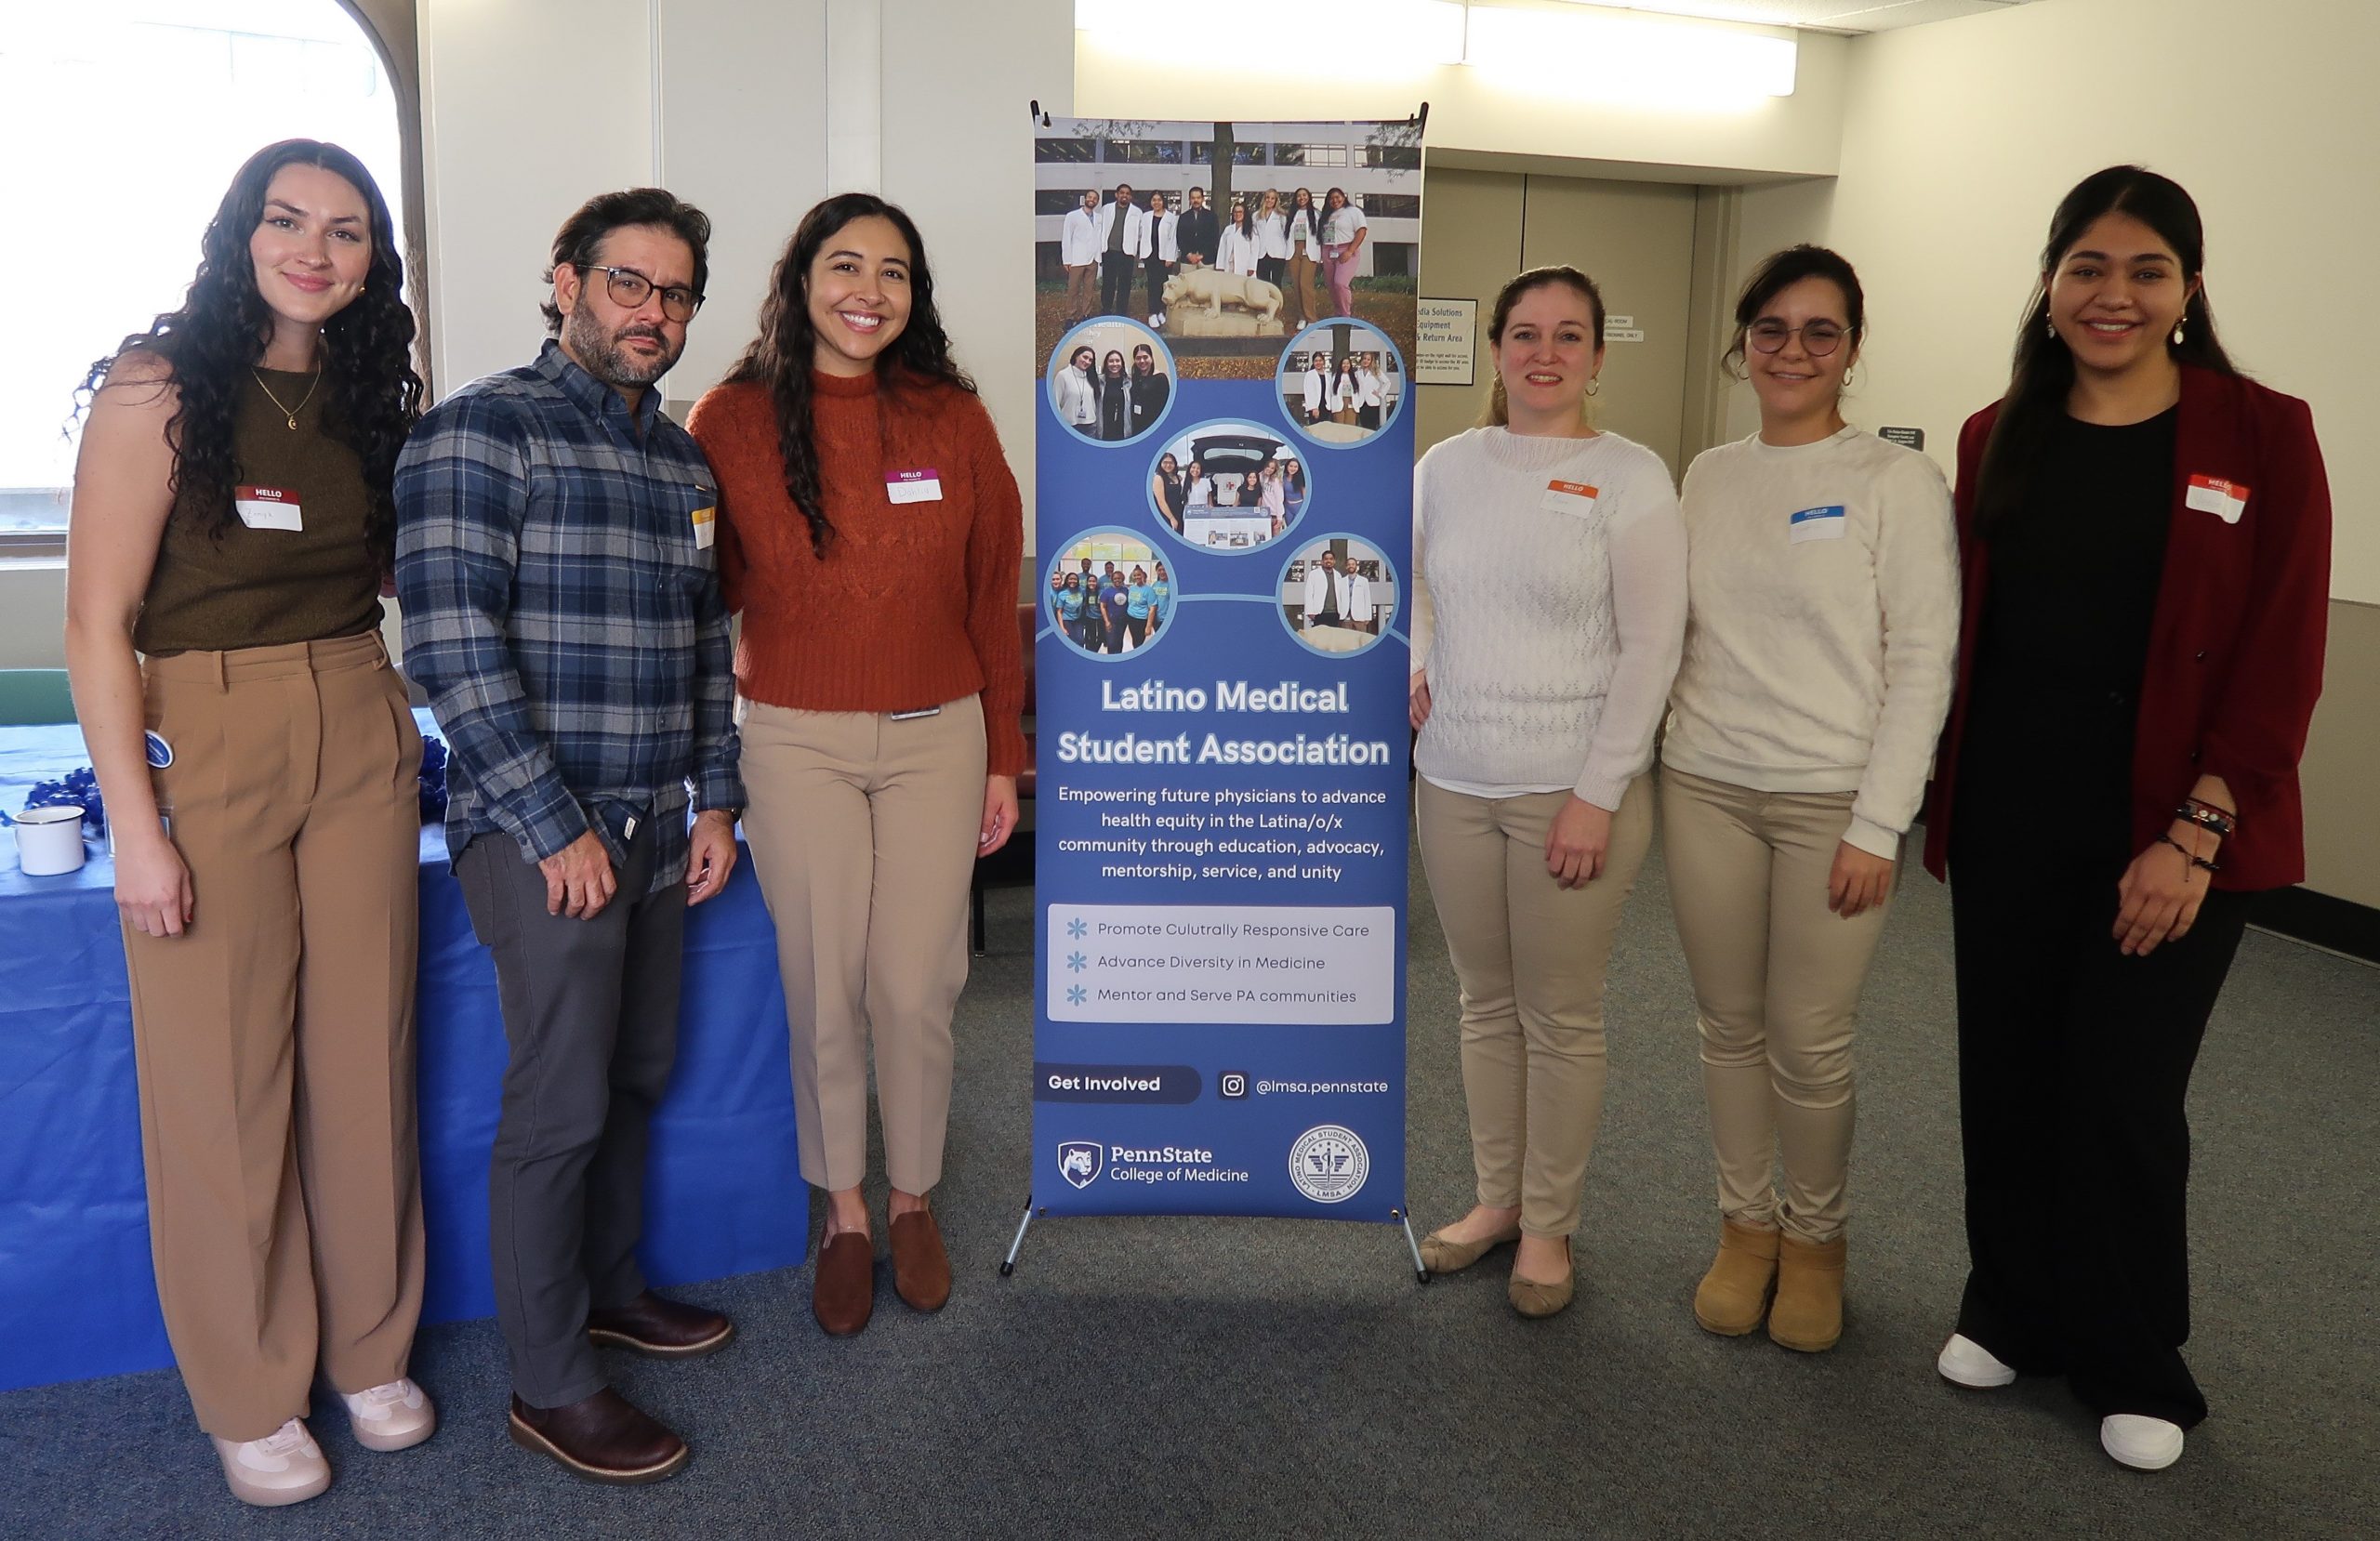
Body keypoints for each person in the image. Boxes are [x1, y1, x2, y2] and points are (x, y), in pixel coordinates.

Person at [1920, 166, 2330, 1472]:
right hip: (2012, 816)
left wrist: (2196, 832)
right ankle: (2014, 1304)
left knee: (2121, 1094)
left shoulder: (2262, 432)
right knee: (2009, 1074)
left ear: (2189, 290)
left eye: (2147, 270)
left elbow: (2282, 654)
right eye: (2087, 267)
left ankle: (2132, 1352)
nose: (2115, 294)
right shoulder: (1997, 433)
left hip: (2177, 834)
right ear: (2050, 285)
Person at [63, 138, 433, 1508]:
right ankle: (250, 1386)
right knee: (221, 1077)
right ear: (243, 232)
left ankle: (369, 1348)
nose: (313, 251)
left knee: (366, 1052)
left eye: (345, 232)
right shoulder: (158, 383)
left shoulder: (370, 394)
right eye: (288, 221)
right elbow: (95, 622)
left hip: (357, 705)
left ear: (372, 262)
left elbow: (389, 569)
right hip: (206, 725)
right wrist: (136, 826)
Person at [396, 187, 743, 1485]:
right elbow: (452, 650)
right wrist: (555, 827)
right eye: (627, 283)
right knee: (558, 1104)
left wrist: (717, 797)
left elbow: (705, 647)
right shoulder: (481, 430)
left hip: (657, 826)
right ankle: (550, 1381)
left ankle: (607, 1288)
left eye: (676, 293)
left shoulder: (683, 462)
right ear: (566, 281)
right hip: (541, 835)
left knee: (636, 1072)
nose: (654, 312)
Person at [687, 191, 1025, 1339]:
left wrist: (1003, 757)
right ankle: (844, 1209)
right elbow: (706, 590)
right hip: (794, 737)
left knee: (916, 984)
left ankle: (913, 1195)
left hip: (940, 732)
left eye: (893, 271)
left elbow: (990, 589)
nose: (868, 291)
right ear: (800, 280)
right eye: (844, 265)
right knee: (823, 984)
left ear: (914, 295)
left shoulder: (953, 417)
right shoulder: (729, 419)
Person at [1660, 245, 1960, 1356]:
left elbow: (1922, 661)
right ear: (1742, 344)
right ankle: (1746, 1227)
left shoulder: (1895, 481)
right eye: (1771, 329)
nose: (1792, 350)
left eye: (1819, 331)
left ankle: (1817, 1238)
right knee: (1728, 1025)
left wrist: (1880, 822)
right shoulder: (1707, 474)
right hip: (1705, 782)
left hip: (1833, 800)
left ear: (1851, 348)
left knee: (1809, 1036)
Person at [1407, 266, 1687, 1318]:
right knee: (1483, 1004)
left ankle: (1549, 1226)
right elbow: (1409, 581)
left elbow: (1653, 645)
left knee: (1559, 1014)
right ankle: (1496, 1202)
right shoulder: (1445, 467)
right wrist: (1416, 663)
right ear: (1495, 349)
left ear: (1598, 356)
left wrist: (1598, 793)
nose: (1545, 353)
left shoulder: (1630, 475)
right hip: (1453, 780)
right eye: (1525, 333)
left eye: (1570, 335)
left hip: (1572, 790)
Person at [1095, 182, 1143, 317]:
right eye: (1122, 193)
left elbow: (1140, 232)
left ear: (1130, 197)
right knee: (1108, 282)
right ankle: (1106, 309)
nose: (1124, 195)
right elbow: (1101, 228)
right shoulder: (1106, 209)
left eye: (1127, 194)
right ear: (1116, 195)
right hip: (1109, 252)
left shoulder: (1137, 212)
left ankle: (1121, 311)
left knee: (1125, 283)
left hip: (1126, 253)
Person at [1320, 187, 1368, 318]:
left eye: (1337, 197)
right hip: (1328, 250)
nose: (1335, 200)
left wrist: (1350, 251)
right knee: (1331, 286)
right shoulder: (1326, 215)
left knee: (1340, 283)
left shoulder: (1353, 211)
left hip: (1346, 250)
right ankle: (1338, 313)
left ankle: (1346, 315)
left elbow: (1362, 231)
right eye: (1331, 198)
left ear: (1344, 197)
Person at [1302, 547, 1372, 633]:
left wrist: (1367, 616)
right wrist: (1310, 611)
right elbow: (1308, 593)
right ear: (1322, 561)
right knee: (1320, 637)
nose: (1328, 561)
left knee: (1334, 637)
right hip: (1319, 613)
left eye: (1331, 559)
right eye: (1326, 559)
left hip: (1335, 613)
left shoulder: (1338, 575)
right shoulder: (1314, 574)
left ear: (1334, 561)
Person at [1285, 188, 1326, 329]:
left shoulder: (1316, 214)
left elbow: (1321, 234)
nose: (1301, 198)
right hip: (1294, 251)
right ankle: (1302, 316)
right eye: (1299, 196)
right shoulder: (1291, 214)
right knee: (1297, 285)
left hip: (1309, 251)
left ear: (1309, 197)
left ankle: (1311, 318)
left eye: (1304, 195)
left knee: (1305, 284)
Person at [1138, 190, 1179, 328]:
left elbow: (1173, 239)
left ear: (1163, 201)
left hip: (1165, 257)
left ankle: (1161, 311)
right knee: (1152, 284)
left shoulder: (1171, 218)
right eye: (1154, 200)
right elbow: (1141, 235)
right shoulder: (1145, 216)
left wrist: (1170, 257)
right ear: (1151, 202)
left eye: (1159, 200)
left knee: (1163, 284)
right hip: (1150, 256)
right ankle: (1152, 313)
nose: (1156, 202)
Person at [1061, 189, 1100, 325]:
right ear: (1085, 199)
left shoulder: (1099, 218)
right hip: (1076, 259)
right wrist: (1066, 259)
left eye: (1095, 198)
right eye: (1090, 197)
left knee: (1089, 290)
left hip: (1093, 259)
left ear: (1097, 201)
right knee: (1073, 289)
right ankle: (1070, 317)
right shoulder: (1072, 216)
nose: (1092, 200)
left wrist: (1098, 257)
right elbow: (1066, 237)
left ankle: (1086, 315)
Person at [1053, 343, 1098, 435]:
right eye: (1085, 357)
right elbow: (1055, 402)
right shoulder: (1063, 375)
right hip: (1069, 425)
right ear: (1076, 356)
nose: (1087, 361)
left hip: (1090, 426)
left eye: (1090, 360)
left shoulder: (1091, 377)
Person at [1129, 342, 1170, 438]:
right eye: (1138, 358)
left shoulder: (1160, 378)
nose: (1142, 361)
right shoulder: (1135, 378)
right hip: (1136, 426)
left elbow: (1165, 406)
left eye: (1145, 357)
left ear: (1151, 358)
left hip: (1153, 425)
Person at [1254, 188, 1289, 291]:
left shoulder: (1281, 215)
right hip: (1262, 253)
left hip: (1277, 253)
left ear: (1276, 200)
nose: (1269, 200)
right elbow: (1254, 234)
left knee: (1276, 282)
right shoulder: (1256, 216)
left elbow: (1286, 234)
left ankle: (1277, 301)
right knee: (1263, 282)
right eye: (1267, 198)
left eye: (1272, 198)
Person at [1218, 196, 1261, 279]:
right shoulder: (1228, 229)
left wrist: (1252, 267)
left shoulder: (1251, 230)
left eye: (1240, 212)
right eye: (1235, 212)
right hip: (1229, 266)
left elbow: (1254, 250)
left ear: (1245, 213)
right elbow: (1222, 249)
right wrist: (1220, 266)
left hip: (1244, 267)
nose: (1238, 214)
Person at [1177, 186, 1219, 270]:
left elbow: (1214, 238)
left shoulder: (1211, 216)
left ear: (1203, 199)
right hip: (1188, 260)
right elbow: (1180, 238)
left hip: (1207, 260)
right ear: (1189, 199)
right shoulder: (1183, 217)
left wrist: (1202, 255)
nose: (1196, 200)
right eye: (1193, 198)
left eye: (1198, 198)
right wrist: (1189, 255)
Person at [1097, 349, 1131, 441]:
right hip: (1104, 428)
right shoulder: (1099, 382)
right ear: (1106, 363)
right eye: (1111, 361)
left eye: (1117, 361)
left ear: (1122, 363)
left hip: (1123, 428)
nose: (1114, 364)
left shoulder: (1129, 382)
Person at [1098, 563, 1132, 653]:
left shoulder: (1126, 590)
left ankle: (1119, 658)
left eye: (1119, 578)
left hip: (1123, 620)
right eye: (1115, 578)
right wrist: (1107, 621)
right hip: (1111, 620)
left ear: (1122, 579)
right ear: (1112, 579)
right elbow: (1103, 606)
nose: (1117, 580)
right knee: (1111, 642)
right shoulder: (1107, 591)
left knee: (1119, 641)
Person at [1151, 451, 1188, 533]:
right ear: (1160, 463)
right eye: (1165, 462)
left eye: (1171, 463)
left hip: (1179, 512)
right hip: (1166, 515)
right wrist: (1171, 518)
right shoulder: (1158, 478)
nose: (1168, 465)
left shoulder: (1178, 477)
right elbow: (1161, 501)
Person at [1055, 569, 1091, 649]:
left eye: (1075, 579)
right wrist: (1062, 627)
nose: (1073, 581)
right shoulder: (1062, 594)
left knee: (1081, 641)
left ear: (1077, 581)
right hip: (1067, 620)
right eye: (1070, 579)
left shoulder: (1081, 590)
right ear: (1067, 581)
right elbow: (1059, 612)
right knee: (1072, 641)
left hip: (1078, 619)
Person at [1123, 564, 1157, 648]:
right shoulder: (1131, 588)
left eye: (1139, 575)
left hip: (1141, 620)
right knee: (1134, 640)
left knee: (1139, 643)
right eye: (1135, 575)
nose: (1137, 577)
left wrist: (1148, 626)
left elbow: (1152, 609)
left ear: (1143, 575)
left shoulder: (1149, 590)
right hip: (1130, 618)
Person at [1078, 555, 1106, 652]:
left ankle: (1094, 650)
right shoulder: (1083, 590)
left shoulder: (1101, 591)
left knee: (1101, 636)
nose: (1091, 583)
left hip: (1100, 616)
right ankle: (1090, 651)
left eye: (1094, 581)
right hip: (1088, 615)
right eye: (1090, 581)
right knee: (1090, 635)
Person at [1355, 351, 1386, 431]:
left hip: (1373, 403)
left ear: (1371, 361)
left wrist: (1380, 393)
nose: (1366, 361)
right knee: (1364, 425)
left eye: (1368, 359)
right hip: (1362, 403)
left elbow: (1387, 382)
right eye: (1364, 359)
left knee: (1371, 427)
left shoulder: (1376, 371)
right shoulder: (1357, 373)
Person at [1301, 353, 1332, 426]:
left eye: (1320, 360)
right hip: (1315, 408)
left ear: (1323, 362)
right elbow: (1309, 393)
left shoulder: (1328, 376)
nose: (1318, 363)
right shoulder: (1310, 375)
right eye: (1316, 361)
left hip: (1326, 407)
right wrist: (1314, 408)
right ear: (1313, 362)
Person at [1331, 355, 1361, 425]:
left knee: (1350, 426)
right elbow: (1331, 391)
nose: (1346, 365)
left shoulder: (1354, 376)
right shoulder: (1336, 376)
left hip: (1351, 405)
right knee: (1339, 426)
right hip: (1339, 404)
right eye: (1344, 363)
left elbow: (1357, 390)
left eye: (1348, 363)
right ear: (1341, 365)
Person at [1149, 560, 1173, 632]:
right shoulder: (1155, 585)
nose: (1162, 572)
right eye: (1159, 570)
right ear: (1156, 571)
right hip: (1156, 620)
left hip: (1167, 619)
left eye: (1164, 569)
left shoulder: (1172, 585)